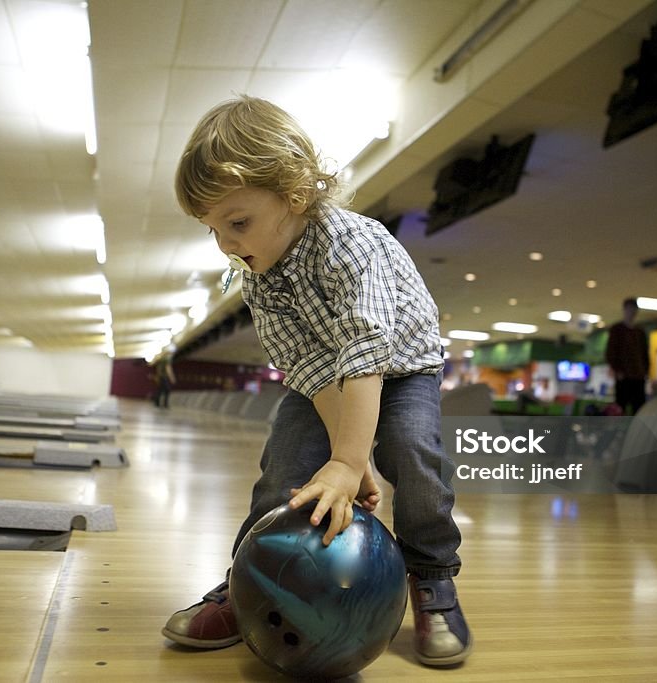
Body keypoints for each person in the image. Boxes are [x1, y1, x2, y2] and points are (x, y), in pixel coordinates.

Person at [161, 95, 472, 667]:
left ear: (294, 194)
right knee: (284, 467)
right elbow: (308, 368)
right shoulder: (257, 277)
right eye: (213, 230)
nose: (227, 244)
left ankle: (432, 581)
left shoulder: (349, 244)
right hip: (326, 381)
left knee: (413, 451)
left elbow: (365, 356)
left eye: (237, 222)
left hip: (403, 367)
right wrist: (350, 459)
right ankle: (245, 584)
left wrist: (352, 461)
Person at [605, 297, 649, 415]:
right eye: (630, 309)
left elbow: (644, 353)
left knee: (638, 407)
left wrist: (645, 371)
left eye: (634, 309)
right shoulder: (617, 330)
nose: (632, 312)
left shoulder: (639, 332)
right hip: (623, 376)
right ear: (624, 310)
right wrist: (617, 370)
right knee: (621, 407)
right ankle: (620, 431)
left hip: (638, 376)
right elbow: (611, 352)